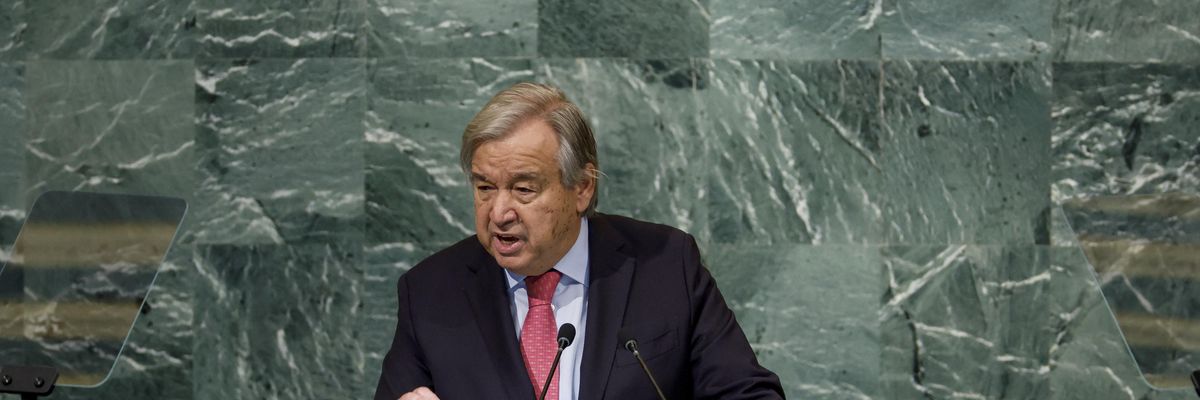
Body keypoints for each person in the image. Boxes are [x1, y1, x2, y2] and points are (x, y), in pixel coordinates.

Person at [374, 82, 784, 400]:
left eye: (523, 189)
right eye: (484, 187)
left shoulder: (665, 266)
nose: (498, 212)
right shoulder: (429, 292)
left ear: (582, 188)